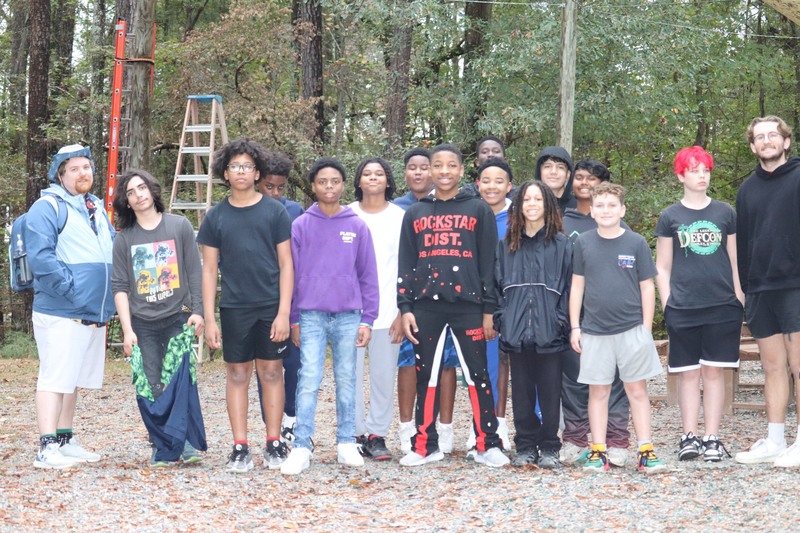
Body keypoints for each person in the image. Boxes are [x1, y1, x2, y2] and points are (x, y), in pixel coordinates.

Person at [397, 143, 509, 468]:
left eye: (451, 165)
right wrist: (405, 307)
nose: (444, 171)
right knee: (426, 377)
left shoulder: (478, 210)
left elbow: (489, 263)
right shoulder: (416, 213)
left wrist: (490, 310)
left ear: (462, 171)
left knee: (478, 377)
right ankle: (424, 445)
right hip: (425, 309)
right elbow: (406, 263)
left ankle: (487, 443)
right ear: (430, 170)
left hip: (469, 307)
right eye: (438, 165)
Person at [196, 138, 294, 472]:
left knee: (271, 371)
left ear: (257, 173)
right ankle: (240, 446)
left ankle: (274, 442)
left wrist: (284, 312)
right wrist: (209, 319)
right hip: (235, 308)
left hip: (270, 306)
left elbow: (287, 265)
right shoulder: (215, 216)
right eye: (235, 166)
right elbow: (209, 270)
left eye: (247, 166)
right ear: (225, 172)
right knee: (237, 373)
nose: (241, 171)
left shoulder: (274, 211)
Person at [280, 157, 379, 475]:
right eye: (322, 181)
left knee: (347, 379)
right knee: (308, 379)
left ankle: (346, 442)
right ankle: (301, 446)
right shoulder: (301, 226)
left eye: (335, 181)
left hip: (349, 316)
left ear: (342, 185)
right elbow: (291, 276)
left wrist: (368, 319)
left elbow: (368, 275)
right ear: (313, 186)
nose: (329, 187)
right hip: (310, 315)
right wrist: (294, 318)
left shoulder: (356, 225)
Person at [569, 182, 667, 474]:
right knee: (597, 392)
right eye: (600, 205)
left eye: (612, 205)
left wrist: (646, 330)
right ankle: (598, 451)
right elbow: (577, 286)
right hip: (594, 331)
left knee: (637, 391)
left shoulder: (635, 242)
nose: (606, 210)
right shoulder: (583, 243)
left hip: (631, 330)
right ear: (592, 210)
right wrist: (576, 327)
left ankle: (646, 451)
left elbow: (647, 287)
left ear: (622, 209)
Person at [27, 144, 115, 469]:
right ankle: (46, 447)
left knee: (71, 378)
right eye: (74, 168)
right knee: (54, 377)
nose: (83, 173)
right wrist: (73, 291)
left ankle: (64, 438)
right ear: (61, 174)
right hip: (61, 310)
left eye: (87, 167)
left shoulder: (94, 207)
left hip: (90, 311)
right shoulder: (48, 205)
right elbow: (41, 258)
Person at [111, 169, 207, 467]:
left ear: (153, 191)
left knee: (180, 382)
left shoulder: (178, 226)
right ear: (126, 202)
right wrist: (127, 331)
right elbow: (120, 287)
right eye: (130, 192)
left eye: (142, 188)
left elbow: (194, 272)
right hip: (143, 324)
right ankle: (161, 443)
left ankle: (187, 443)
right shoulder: (124, 240)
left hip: (177, 318)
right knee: (151, 384)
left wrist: (199, 311)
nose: (138, 194)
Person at [654, 146, 743, 463]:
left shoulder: (725, 213)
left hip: (722, 305)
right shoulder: (670, 216)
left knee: (715, 373)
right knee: (689, 374)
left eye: (705, 170)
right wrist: (668, 303)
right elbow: (662, 266)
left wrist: (738, 297)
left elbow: (735, 259)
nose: (701, 175)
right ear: (681, 175)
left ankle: (712, 438)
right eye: (694, 170)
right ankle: (688, 436)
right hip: (683, 306)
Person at [735, 116, 800, 467]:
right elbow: (744, 243)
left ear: (786, 141)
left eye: (773, 135)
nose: (767, 141)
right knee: (772, 367)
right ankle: (776, 439)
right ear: (752, 146)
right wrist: (746, 288)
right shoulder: (746, 190)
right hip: (760, 288)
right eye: (759, 137)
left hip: (796, 285)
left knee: (799, 365)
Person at [495, 180, 572, 468]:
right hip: (515, 331)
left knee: (551, 391)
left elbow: (569, 287)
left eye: (538, 199)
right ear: (518, 205)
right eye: (526, 199)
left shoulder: (562, 245)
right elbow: (496, 285)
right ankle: (526, 444)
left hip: (551, 330)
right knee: (523, 392)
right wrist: (503, 318)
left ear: (548, 205)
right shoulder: (507, 245)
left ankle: (550, 446)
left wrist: (560, 319)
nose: (531, 204)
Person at [560, 159, 631, 468]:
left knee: (614, 381)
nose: (584, 183)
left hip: (611, 318)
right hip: (573, 316)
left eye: (592, 179)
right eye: (579, 177)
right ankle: (575, 439)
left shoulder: (617, 224)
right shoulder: (561, 220)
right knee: (574, 379)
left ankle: (616, 441)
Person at [393, 147, 461, 455]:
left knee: (447, 364)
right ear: (406, 173)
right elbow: (401, 260)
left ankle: (444, 428)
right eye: (414, 167)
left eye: (425, 167)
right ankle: (408, 427)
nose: (419, 172)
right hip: (414, 301)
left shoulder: (455, 206)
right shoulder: (399, 209)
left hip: (449, 299)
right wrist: (401, 304)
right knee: (409, 362)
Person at [349, 157, 405, 460]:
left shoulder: (400, 217)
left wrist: (402, 311)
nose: (373, 178)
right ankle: (355, 434)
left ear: (387, 180)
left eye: (379, 173)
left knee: (384, 377)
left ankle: (377, 435)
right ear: (358, 181)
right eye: (367, 173)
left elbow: (409, 265)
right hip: (351, 313)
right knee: (351, 376)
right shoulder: (347, 215)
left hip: (389, 312)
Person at [256, 151, 304, 443]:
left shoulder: (296, 211)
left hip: (295, 301)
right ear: (258, 182)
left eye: (280, 187)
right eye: (269, 187)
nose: (275, 193)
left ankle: (293, 420)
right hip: (261, 300)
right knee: (268, 366)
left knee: (296, 364)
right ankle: (271, 426)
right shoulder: (249, 209)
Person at [472, 158, 514, 453]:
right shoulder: (471, 214)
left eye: (499, 181)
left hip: (512, 302)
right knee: (482, 367)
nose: (492, 186)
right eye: (486, 181)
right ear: (478, 185)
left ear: (509, 186)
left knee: (512, 365)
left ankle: (507, 424)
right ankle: (482, 426)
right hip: (478, 303)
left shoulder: (518, 217)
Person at [534, 146, 576, 214]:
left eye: (560, 167)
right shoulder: (529, 206)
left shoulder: (578, 208)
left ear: (568, 174)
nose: (553, 172)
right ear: (539, 172)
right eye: (547, 166)